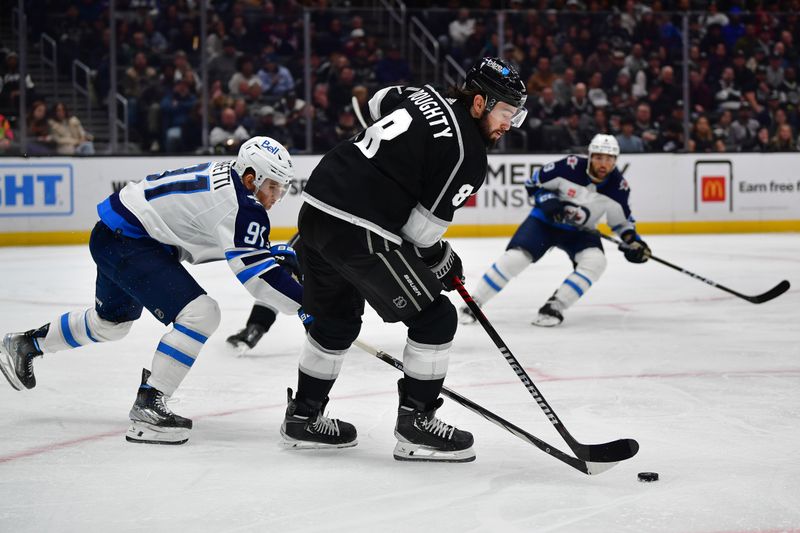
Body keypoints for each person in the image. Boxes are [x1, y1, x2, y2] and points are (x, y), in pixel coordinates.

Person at [280, 57, 527, 462]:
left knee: (336, 321)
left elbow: (378, 103)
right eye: (504, 113)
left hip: (315, 213)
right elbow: (418, 236)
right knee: (435, 318)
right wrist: (442, 260)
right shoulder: (468, 155)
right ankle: (417, 424)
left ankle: (303, 417)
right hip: (360, 228)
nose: (508, 125)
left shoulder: (424, 94)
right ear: (479, 103)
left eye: (515, 116)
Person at [0, 137, 307, 445]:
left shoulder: (231, 179)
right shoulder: (242, 205)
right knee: (201, 313)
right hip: (130, 242)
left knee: (111, 324)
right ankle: (149, 404)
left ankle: (26, 344)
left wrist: (269, 253)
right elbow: (258, 278)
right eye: (273, 187)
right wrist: (310, 307)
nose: (277, 196)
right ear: (251, 178)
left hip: (116, 234)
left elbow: (219, 233)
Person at [459, 134, 650, 328]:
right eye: (599, 157)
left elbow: (622, 224)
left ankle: (554, 306)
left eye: (609, 159)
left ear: (615, 161)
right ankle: (473, 303)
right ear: (590, 156)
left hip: (580, 232)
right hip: (544, 223)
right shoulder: (569, 166)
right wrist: (548, 200)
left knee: (596, 262)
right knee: (516, 258)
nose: (603, 163)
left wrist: (633, 242)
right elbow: (533, 184)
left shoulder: (618, 188)